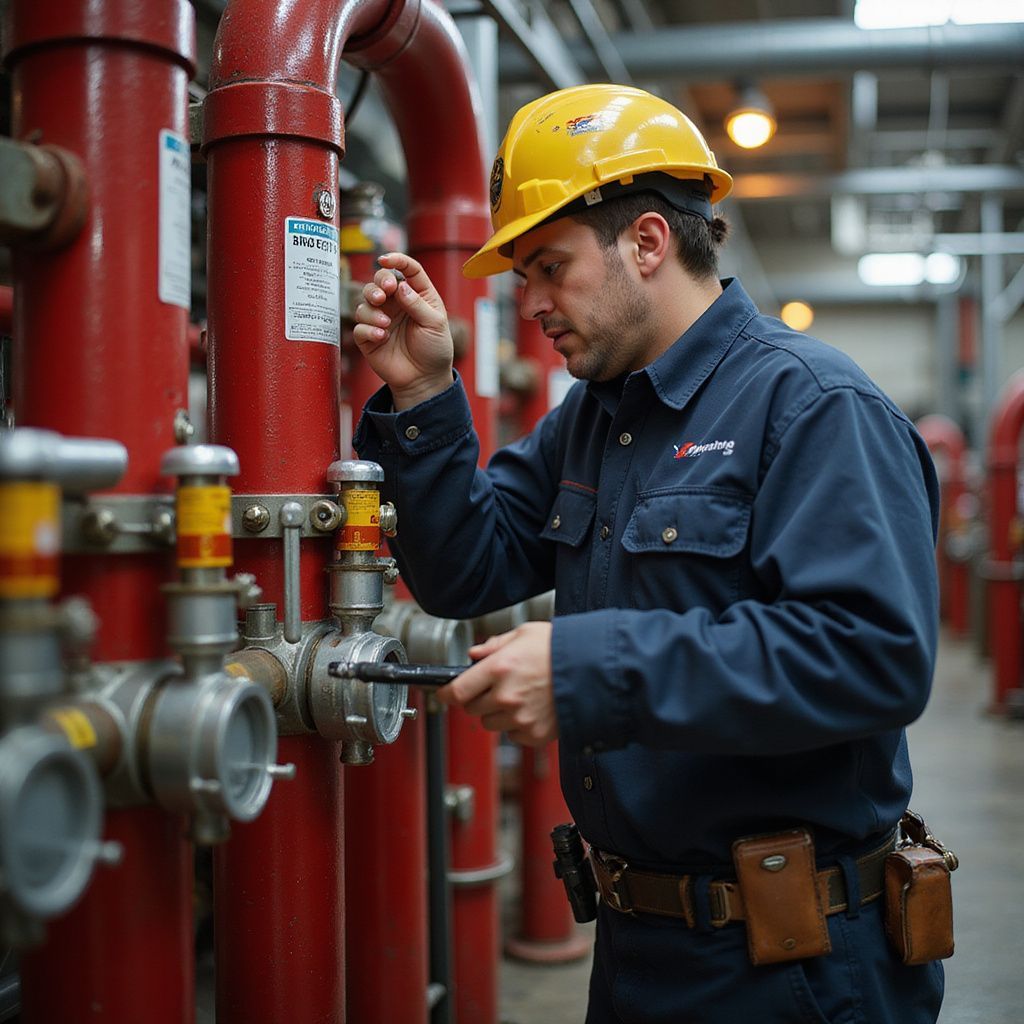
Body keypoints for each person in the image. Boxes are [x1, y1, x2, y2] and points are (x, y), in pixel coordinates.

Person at [352, 84, 945, 1023]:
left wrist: (592, 669)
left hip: (793, 964)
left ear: (648, 242)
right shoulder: (594, 419)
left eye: (549, 267)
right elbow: (469, 569)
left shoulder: (814, 407)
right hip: (641, 946)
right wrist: (426, 395)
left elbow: (874, 654)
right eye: (523, 279)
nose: (533, 303)